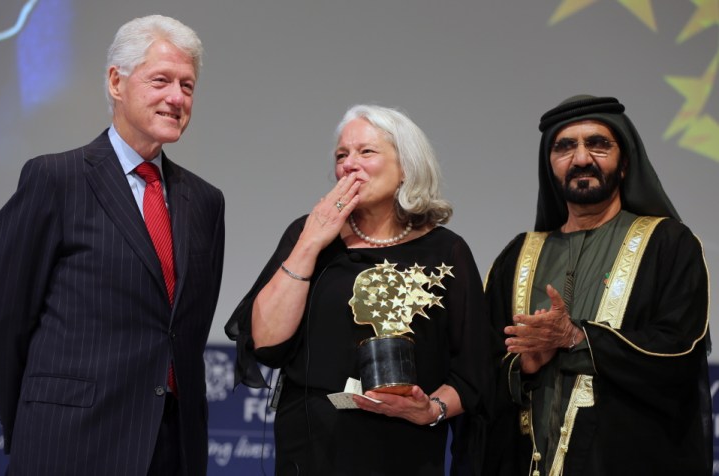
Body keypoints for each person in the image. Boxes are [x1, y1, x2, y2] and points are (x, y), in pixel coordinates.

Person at [0, 15, 225, 475]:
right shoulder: (55, 179)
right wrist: (36, 415)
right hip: (68, 443)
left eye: (187, 86)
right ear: (116, 82)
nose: (177, 97)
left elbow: (184, 329)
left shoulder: (205, 201)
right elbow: (1, 320)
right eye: (161, 80)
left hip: (172, 447)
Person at [225, 104, 496, 475]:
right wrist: (310, 242)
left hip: (404, 452)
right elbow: (267, 343)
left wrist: (432, 410)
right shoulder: (309, 235)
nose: (349, 164)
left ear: (406, 167)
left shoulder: (445, 250)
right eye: (341, 155)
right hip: (311, 449)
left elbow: (473, 369)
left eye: (366, 152)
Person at [484, 94, 712, 476]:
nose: (581, 158)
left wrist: (576, 339)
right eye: (565, 147)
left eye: (598, 144)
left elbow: (681, 351)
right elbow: (483, 364)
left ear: (625, 163)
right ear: (550, 165)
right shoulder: (517, 256)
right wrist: (523, 366)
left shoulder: (669, 244)